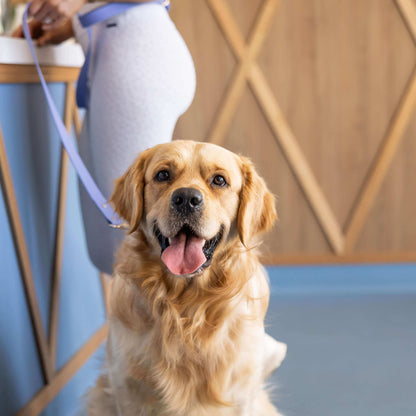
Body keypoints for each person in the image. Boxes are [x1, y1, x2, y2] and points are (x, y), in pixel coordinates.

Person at [14, 0, 196, 275]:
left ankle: (188, 317)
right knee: (108, 249)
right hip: (124, 54)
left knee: (134, 245)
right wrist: (68, 25)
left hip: (136, 57)